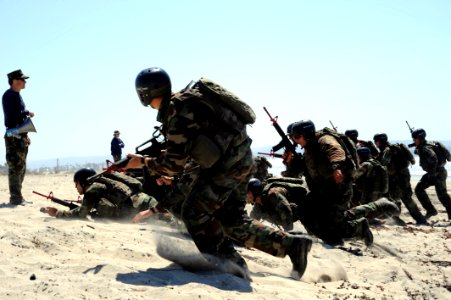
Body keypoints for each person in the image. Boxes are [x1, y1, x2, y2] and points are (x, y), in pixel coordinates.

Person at [126, 67, 313, 280]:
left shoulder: (176, 111)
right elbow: (196, 150)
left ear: (144, 93)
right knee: (232, 219)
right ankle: (293, 245)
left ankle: (229, 262)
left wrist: (141, 162)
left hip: (226, 165)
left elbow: (173, 163)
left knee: (193, 212)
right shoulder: (187, 102)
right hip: (241, 159)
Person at [285, 120, 373, 246]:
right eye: (293, 137)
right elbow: (298, 172)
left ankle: (361, 228)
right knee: (304, 211)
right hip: (321, 191)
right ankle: (327, 239)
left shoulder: (324, 140)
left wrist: (336, 168)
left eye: (297, 137)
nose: (295, 140)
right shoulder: (309, 150)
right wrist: (289, 162)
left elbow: (335, 151)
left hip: (338, 189)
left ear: (308, 134)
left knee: (337, 226)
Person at [42, 168, 158, 219]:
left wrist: (58, 213)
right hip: (150, 203)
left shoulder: (93, 189)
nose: (75, 187)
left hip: (144, 212)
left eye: (76, 183)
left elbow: (81, 213)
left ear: (82, 183)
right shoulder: (104, 181)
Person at [373, 133, 427, 225]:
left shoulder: (387, 150)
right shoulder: (394, 148)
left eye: (376, 141)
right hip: (404, 177)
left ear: (380, 141)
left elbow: (383, 164)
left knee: (394, 199)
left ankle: (397, 219)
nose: (375, 144)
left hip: (396, 179)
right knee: (406, 199)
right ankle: (420, 219)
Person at [2, 69, 35, 205]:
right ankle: (15, 198)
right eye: (22, 80)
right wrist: (27, 112)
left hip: (19, 134)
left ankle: (18, 196)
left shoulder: (16, 95)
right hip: (13, 134)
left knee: (20, 167)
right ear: (15, 81)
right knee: (15, 167)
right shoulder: (9, 95)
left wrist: (24, 135)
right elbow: (14, 116)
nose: (25, 82)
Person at [411, 128, 451, 220]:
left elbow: (433, 159)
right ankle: (431, 210)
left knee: (442, 196)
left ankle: (433, 210)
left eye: (415, 139)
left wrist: (432, 173)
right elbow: (449, 156)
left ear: (420, 138)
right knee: (419, 189)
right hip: (440, 172)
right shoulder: (433, 144)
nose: (413, 140)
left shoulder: (425, 148)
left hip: (436, 174)